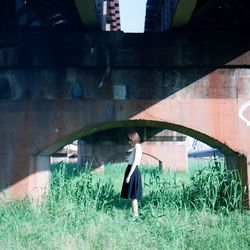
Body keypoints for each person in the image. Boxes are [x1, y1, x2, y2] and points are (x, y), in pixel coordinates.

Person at [121, 131, 142, 221]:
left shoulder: (138, 147)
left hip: (133, 171)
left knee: (134, 196)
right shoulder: (135, 147)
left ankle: (136, 216)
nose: (129, 142)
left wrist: (129, 176)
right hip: (131, 170)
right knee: (133, 196)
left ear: (133, 139)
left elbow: (135, 163)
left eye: (130, 140)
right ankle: (135, 215)